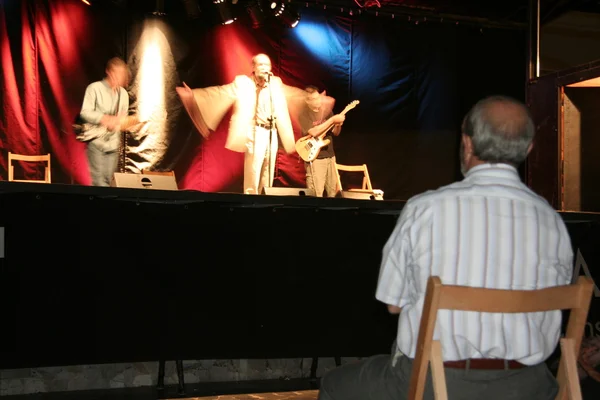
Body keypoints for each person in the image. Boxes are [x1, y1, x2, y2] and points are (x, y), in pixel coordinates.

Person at [318, 96, 574, 400]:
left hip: (436, 383)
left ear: (466, 144)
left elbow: (393, 303)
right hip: (529, 387)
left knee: (335, 385)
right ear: (529, 149)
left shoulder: (424, 209)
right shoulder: (552, 220)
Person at [176, 53, 302, 195]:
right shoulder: (243, 83)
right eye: (260, 65)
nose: (264, 68)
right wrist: (193, 95)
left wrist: (311, 98)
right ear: (253, 67)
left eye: (267, 65)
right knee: (253, 172)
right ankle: (251, 200)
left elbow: (293, 94)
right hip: (256, 132)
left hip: (271, 132)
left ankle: (267, 201)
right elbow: (220, 93)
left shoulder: (275, 84)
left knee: (268, 171)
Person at [78, 57, 130, 187]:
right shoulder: (94, 88)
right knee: (99, 183)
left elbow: (123, 117)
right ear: (109, 72)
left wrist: (126, 123)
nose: (120, 78)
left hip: (113, 144)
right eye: (117, 74)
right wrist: (105, 119)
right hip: (97, 142)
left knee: (108, 182)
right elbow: (85, 112)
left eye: (122, 75)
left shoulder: (123, 94)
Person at [298, 86, 345, 197]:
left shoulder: (327, 111)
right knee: (316, 193)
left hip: (330, 155)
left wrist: (338, 125)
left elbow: (335, 133)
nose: (318, 100)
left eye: (318, 97)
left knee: (332, 192)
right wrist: (332, 120)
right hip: (316, 158)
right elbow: (313, 132)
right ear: (307, 101)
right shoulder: (304, 115)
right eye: (314, 99)